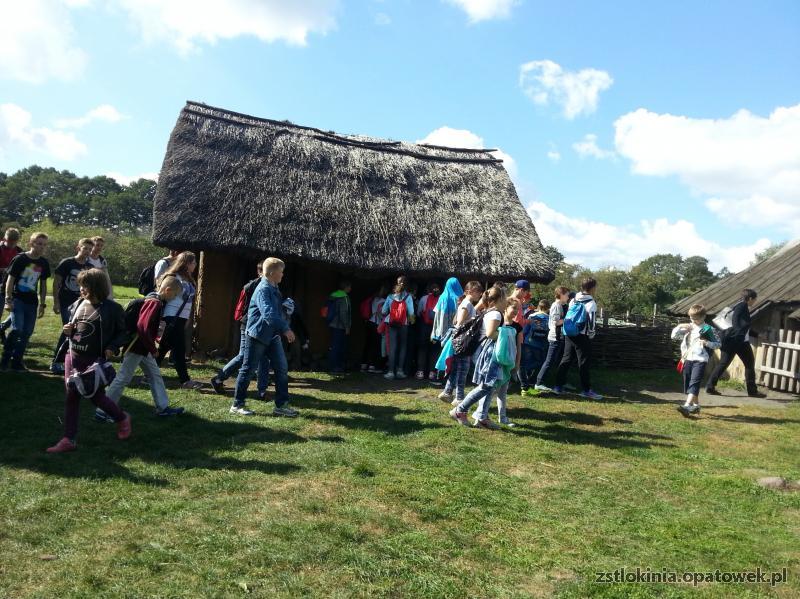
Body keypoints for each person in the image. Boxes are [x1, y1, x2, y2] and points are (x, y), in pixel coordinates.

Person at [46, 269, 132, 453]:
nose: (82, 289)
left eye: (85, 285)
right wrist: (69, 329)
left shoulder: (112, 308)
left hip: (94, 360)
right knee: (71, 396)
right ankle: (69, 439)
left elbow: (123, 333)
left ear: (97, 287)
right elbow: (76, 328)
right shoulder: (77, 304)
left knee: (96, 397)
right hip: (73, 356)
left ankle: (122, 418)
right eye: (81, 285)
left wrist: (112, 348)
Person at [98, 275, 186, 420]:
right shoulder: (155, 303)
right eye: (175, 295)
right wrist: (153, 348)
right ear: (168, 290)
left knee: (154, 375)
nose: (175, 298)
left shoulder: (153, 299)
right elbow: (143, 327)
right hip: (137, 346)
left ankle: (163, 407)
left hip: (142, 347)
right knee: (123, 378)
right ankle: (103, 411)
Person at [230, 257, 299, 417]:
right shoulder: (263, 289)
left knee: (281, 369)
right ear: (273, 273)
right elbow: (268, 313)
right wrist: (286, 329)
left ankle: (281, 406)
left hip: (272, 336)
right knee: (248, 369)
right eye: (281, 272)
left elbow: (276, 311)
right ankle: (237, 404)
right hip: (257, 335)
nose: (283, 274)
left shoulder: (274, 288)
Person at [448, 285, 507, 429]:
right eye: (505, 297)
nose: (507, 300)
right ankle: (460, 410)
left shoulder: (489, 312)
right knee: (487, 385)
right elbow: (490, 334)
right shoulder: (496, 314)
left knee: (490, 385)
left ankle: (482, 416)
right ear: (499, 299)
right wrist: (505, 334)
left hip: (486, 353)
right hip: (490, 354)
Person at [210, 264, 271, 398]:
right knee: (244, 355)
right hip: (250, 324)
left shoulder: (270, 286)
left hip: (262, 326)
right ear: (262, 271)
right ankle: (219, 378)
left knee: (264, 358)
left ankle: (262, 390)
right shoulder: (254, 286)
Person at [1, 232, 51, 372]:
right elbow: (10, 280)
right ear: (31, 243)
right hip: (17, 299)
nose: (41, 247)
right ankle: (5, 360)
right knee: (17, 329)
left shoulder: (43, 262)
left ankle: (17, 362)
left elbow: (43, 284)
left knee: (27, 332)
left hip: (32, 302)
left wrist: (42, 304)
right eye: (39, 243)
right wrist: (8, 299)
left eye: (44, 245)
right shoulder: (20, 259)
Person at [706, 288, 766, 398]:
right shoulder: (742, 306)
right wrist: (739, 335)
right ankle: (752, 391)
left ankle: (710, 386)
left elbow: (742, 326)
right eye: (755, 299)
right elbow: (736, 322)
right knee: (748, 364)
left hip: (736, 341)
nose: (755, 301)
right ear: (751, 298)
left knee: (724, 364)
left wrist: (756, 335)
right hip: (737, 341)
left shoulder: (739, 305)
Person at [471, 298, 521, 428]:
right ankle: (480, 415)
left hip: (508, 362)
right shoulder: (499, 323)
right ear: (505, 307)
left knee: (502, 392)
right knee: (488, 389)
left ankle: (502, 417)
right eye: (513, 308)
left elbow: (518, 346)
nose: (516, 311)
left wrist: (517, 363)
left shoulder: (517, 327)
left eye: (518, 309)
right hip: (495, 360)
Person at [156, 251, 202, 389]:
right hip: (171, 317)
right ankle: (185, 380)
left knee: (164, 348)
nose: (195, 265)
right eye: (193, 262)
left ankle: (148, 375)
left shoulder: (187, 278)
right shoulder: (173, 277)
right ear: (186, 263)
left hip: (180, 318)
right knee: (179, 349)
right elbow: (162, 296)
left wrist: (187, 318)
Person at [552, 278, 603, 400]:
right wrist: (591, 334)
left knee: (566, 359)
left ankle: (558, 386)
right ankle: (586, 390)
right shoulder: (591, 303)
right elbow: (591, 322)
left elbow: (569, 315)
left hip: (569, 333)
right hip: (582, 335)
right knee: (583, 362)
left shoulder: (573, 299)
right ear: (592, 288)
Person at [50, 238, 94, 374]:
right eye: (85, 248)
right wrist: (56, 301)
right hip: (65, 302)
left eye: (89, 249)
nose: (87, 251)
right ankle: (56, 362)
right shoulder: (67, 263)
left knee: (77, 332)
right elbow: (56, 282)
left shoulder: (89, 267)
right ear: (78, 248)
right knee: (68, 330)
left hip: (80, 304)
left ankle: (72, 361)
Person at [438, 281, 483, 404]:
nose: (480, 294)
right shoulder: (467, 304)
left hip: (460, 342)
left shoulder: (466, 304)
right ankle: (459, 398)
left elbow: (455, 321)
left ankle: (447, 392)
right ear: (470, 291)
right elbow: (458, 323)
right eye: (478, 291)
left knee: (457, 368)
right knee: (463, 370)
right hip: (463, 342)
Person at [672, 304, 720, 417]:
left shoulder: (708, 329)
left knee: (695, 382)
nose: (693, 321)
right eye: (691, 318)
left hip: (701, 359)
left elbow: (718, 344)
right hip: (687, 358)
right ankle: (696, 406)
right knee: (688, 382)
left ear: (703, 317)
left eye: (696, 319)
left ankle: (687, 405)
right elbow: (674, 336)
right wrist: (680, 326)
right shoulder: (689, 327)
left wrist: (707, 343)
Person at [533, 286, 570, 392]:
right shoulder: (556, 306)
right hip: (554, 337)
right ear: (561, 294)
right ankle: (539, 383)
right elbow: (555, 322)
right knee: (549, 361)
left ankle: (547, 382)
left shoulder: (560, 305)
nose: (568, 297)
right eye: (567, 295)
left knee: (552, 360)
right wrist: (568, 318)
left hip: (558, 337)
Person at [381, 276, 415, 380]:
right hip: (403, 324)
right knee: (403, 347)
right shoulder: (408, 297)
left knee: (393, 347)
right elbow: (411, 313)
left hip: (392, 324)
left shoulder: (390, 297)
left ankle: (391, 372)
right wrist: (411, 321)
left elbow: (383, 311)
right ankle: (400, 371)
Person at [519, 299, 550, 395]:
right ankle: (523, 373)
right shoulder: (549, 318)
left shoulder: (531, 316)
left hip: (529, 341)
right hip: (540, 344)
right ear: (548, 308)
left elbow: (525, 330)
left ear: (538, 307)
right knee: (540, 362)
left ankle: (522, 372)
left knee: (525, 362)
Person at [415, 281, 441, 381]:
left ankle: (421, 372)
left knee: (423, 349)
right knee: (434, 350)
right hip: (437, 327)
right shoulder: (441, 299)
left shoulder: (423, 298)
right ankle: (432, 373)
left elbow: (418, 312)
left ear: (428, 289)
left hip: (425, 327)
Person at [0, 228, 22, 342]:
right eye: (10, 241)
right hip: (0, 283)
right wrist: (5, 270)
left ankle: (2, 327)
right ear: (4, 238)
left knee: (16, 309)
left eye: (14, 242)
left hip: (13, 285)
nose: (12, 244)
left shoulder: (19, 251)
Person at [361, 285, 387, 373]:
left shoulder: (372, 299)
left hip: (369, 322)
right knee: (375, 345)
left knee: (368, 344)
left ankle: (363, 364)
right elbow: (382, 314)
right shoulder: (383, 301)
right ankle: (372, 365)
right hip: (376, 324)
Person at [327, 280, 352, 374]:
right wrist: (347, 326)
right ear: (346, 287)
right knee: (339, 347)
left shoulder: (333, 295)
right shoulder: (344, 297)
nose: (350, 288)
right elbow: (343, 313)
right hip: (340, 326)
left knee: (333, 346)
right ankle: (337, 367)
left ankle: (332, 366)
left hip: (332, 324)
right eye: (350, 286)